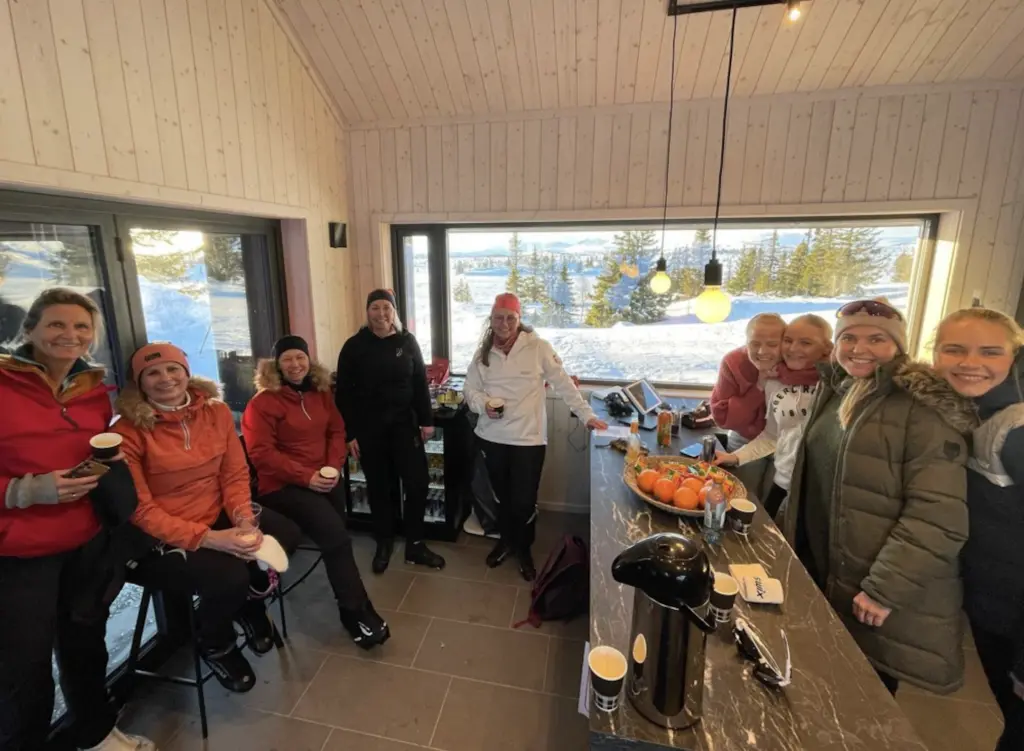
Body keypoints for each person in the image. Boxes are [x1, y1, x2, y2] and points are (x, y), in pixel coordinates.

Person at [783, 298, 973, 697]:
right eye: (848, 337)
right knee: (821, 684)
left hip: (872, 583)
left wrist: (883, 588)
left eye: (876, 339)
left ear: (899, 347)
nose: (859, 348)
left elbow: (938, 516)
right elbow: (815, 475)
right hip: (825, 568)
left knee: (864, 696)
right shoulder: (838, 389)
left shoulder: (920, 410)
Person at [0, 289, 155, 751]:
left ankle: (96, 732)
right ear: (30, 331)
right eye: (56, 325)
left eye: (82, 327)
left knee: (85, 645)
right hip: (20, 552)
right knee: (23, 670)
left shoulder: (93, 390)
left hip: (86, 539)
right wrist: (25, 490)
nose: (70, 335)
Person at [114, 342, 302, 694]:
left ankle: (249, 606)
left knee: (284, 536)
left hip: (217, 511)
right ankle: (215, 641)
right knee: (228, 577)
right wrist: (213, 539)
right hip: (161, 535)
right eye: (152, 373)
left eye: (173, 369)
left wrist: (244, 521)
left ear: (187, 372)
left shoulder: (214, 412)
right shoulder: (128, 432)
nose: (165, 379)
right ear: (139, 383)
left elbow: (233, 474)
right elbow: (141, 510)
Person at [242, 335, 389, 649]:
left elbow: (336, 430)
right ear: (276, 365)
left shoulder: (320, 392)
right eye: (287, 359)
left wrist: (334, 465)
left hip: (324, 477)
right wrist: (306, 477)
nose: (295, 365)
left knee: (337, 537)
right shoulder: (262, 403)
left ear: (309, 360)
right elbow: (261, 455)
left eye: (300, 358)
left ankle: (353, 603)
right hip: (282, 486)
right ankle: (355, 611)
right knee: (336, 537)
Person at [463, 293, 607, 581]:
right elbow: (470, 390)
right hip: (491, 437)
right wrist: (483, 405)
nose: (504, 324)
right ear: (491, 320)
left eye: (510, 318)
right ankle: (506, 541)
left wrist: (587, 416)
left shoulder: (538, 347)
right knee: (502, 498)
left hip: (528, 439)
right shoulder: (483, 353)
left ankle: (524, 548)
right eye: (498, 318)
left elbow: (564, 385)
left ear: (519, 319)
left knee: (524, 500)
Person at [932, 307, 1024, 751]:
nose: (970, 362)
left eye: (990, 351)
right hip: (993, 609)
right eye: (955, 349)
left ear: (1014, 358)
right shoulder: (969, 416)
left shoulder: (1017, 426)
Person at [336, 289, 445, 574]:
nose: (381, 313)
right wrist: (349, 434)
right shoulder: (354, 346)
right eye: (375, 307)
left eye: (386, 307)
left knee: (418, 483)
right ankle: (384, 542)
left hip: (404, 426)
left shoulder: (407, 342)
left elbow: (420, 383)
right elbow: (343, 395)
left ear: (394, 311)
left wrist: (427, 421)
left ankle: (415, 544)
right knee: (380, 488)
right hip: (370, 430)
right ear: (367, 311)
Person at [715, 314, 832, 516]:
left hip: (813, 474)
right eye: (755, 344)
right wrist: (736, 457)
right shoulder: (772, 381)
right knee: (744, 507)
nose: (794, 349)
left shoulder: (832, 381)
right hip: (762, 451)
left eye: (772, 344)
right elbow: (772, 434)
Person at [711, 313, 786, 443]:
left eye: (772, 344)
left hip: (787, 442)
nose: (762, 351)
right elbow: (722, 418)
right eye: (755, 344)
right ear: (746, 342)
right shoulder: (733, 362)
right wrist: (759, 386)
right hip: (744, 438)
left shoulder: (796, 361)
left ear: (785, 344)